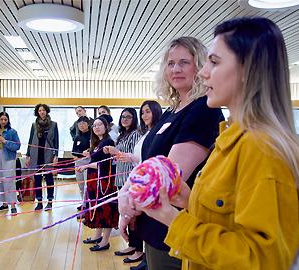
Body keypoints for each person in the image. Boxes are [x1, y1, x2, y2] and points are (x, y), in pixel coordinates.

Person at [136, 17, 299, 270]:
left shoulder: (262, 148)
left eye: (214, 62)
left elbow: (263, 261)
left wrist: (173, 220)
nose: (203, 72)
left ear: (248, 69)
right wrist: (191, 200)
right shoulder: (232, 136)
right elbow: (227, 217)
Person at [118, 36, 224, 270]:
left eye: (184, 62)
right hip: (154, 224)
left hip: (176, 228)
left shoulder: (203, 109)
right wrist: (126, 200)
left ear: (200, 66)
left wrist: (127, 207)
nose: (176, 69)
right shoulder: (171, 111)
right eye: (170, 63)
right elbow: (147, 163)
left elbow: (167, 177)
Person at [109, 101, 162, 266]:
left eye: (148, 112)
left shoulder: (155, 133)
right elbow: (140, 157)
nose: (145, 116)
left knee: (140, 218)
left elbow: (151, 159)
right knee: (134, 217)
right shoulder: (146, 133)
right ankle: (138, 250)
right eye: (143, 113)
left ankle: (142, 254)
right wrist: (127, 157)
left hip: (144, 181)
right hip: (132, 176)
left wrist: (130, 158)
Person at [76, 116, 119, 252]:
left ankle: (105, 241)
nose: (97, 127)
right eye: (94, 125)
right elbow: (96, 157)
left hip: (105, 183)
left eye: (100, 124)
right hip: (96, 181)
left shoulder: (108, 142)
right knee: (97, 208)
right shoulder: (97, 143)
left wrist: (86, 167)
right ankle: (97, 236)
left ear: (106, 127)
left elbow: (105, 164)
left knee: (105, 209)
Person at [26, 104, 59, 211]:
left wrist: (56, 156)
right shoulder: (34, 125)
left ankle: (50, 201)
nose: (42, 112)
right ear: (37, 112)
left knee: (49, 179)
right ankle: (39, 202)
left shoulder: (54, 124)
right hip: (36, 155)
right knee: (37, 179)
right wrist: (28, 155)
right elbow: (30, 141)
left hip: (48, 155)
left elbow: (56, 141)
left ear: (47, 111)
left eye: (43, 110)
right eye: (40, 110)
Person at [0, 112, 20, 215]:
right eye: (1, 119)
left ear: (8, 120)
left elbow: (17, 146)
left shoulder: (12, 132)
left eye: (5, 119)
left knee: (9, 181)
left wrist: (5, 141)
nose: (3, 121)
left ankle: (13, 205)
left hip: (9, 159)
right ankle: (4, 204)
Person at [71, 116, 91, 210]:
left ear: (88, 124)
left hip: (88, 162)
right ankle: (84, 203)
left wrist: (87, 152)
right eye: (79, 124)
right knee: (81, 184)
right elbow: (73, 151)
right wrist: (78, 154)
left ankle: (89, 203)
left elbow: (93, 149)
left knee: (87, 184)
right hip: (78, 162)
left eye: (84, 123)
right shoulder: (77, 137)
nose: (81, 125)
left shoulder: (92, 135)